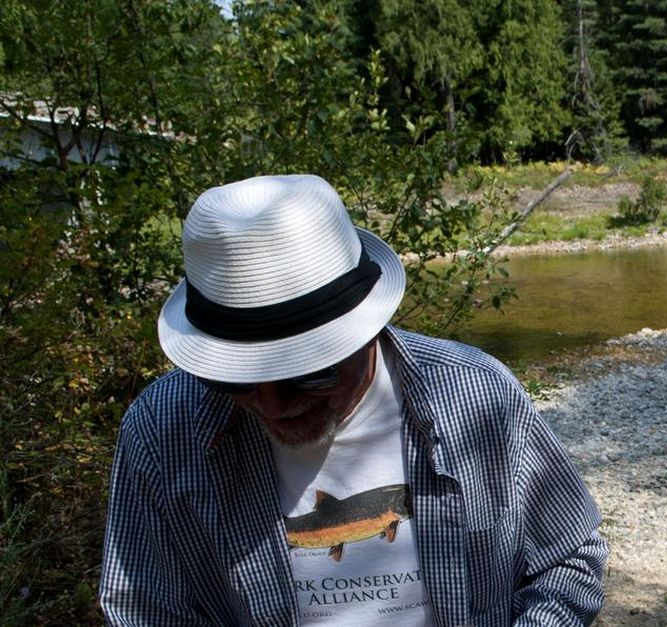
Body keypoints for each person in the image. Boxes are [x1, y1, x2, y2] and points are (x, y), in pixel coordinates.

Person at [99, 174, 607, 626]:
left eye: (310, 376)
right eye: (237, 380)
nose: (275, 405)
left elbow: (568, 558)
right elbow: (141, 608)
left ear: (366, 328)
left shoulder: (477, 396)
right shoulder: (162, 430)